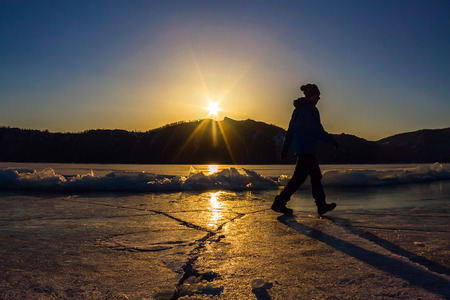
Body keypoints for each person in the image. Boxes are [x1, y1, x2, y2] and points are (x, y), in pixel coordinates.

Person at [272, 83, 339, 215]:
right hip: (307, 148)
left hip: (301, 149)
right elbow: (317, 130)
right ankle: (279, 203)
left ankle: (320, 205)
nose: (319, 98)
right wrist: (332, 141)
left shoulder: (297, 110)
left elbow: (291, 130)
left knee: (311, 176)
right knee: (303, 177)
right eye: (318, 95)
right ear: (312, 95)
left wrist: (285, 148)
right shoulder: (310, 110)